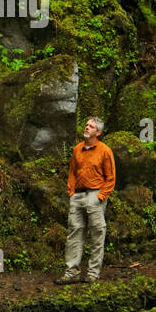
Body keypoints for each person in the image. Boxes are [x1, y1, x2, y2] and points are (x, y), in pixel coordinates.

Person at [56, 117, 115, 284]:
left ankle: (92, 274)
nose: (87, 127)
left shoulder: (104, 151)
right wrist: (72, 192)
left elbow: (110, 177)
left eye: (91, 126)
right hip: (78, 196)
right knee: (74, 234)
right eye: (87, 124)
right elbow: (72, 172)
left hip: (95, 196)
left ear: (98, 132)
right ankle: (71, 274)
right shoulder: (77, 149)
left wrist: (101, 197)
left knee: (97, 234)